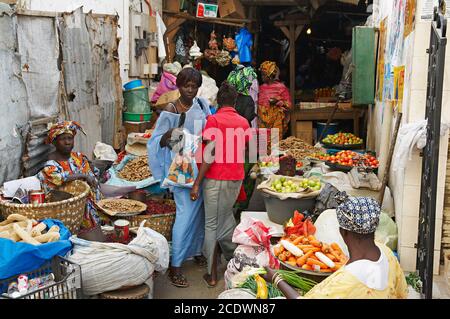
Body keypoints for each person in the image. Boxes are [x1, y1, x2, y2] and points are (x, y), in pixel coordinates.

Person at [269, 192, 408, 299]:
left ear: (343, 232)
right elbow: (402, 292)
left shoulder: (347, 281)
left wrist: (276, 279)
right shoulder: (387, 252)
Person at [147, 67, 210, 288]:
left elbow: (211, 133)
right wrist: (176, 135)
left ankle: (194, 252)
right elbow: (157, 142)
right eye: (186, 86)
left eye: (194, 86)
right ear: (178, 86)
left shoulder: (202, 106)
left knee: (199, 214)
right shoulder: (170, 110)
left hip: (202, 169)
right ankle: (175, 265)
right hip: (182, 172)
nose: (190, 90)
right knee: (185, 215)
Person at [190, 82, 251, 287]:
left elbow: (210, 154)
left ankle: (212, 274)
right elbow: (249, 151)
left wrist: (197, 183)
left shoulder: (213, 120)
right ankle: (236, 259)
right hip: (235, 178)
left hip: (216, 178)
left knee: (212, 225)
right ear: (235, 101)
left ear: (218, 101)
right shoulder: (244, 122)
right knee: (225, 219)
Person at [37, 120, 101, 230]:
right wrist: (83, 176)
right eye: (62, 139)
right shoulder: (51, 163)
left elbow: (93, 175)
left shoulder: (78, 157)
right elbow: (58, 178)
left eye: (70, 138)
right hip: (69, 210)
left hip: (92, 205)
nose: (67, 142)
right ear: (54, 142)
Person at [257, 61, 292, 141]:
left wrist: (277, 102)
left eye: (263, 75)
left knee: (275, 146)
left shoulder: (281, 88)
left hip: (276, 121)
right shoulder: (261, 88)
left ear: (269, 76)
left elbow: (289, 105)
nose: (262, 77)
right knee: (263, 144)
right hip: (263, 121)